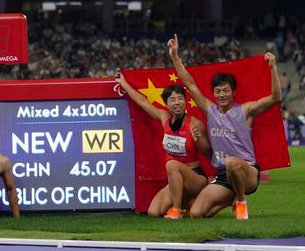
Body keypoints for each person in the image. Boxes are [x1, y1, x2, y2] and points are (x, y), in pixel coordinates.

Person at [168, 34, 282, 220]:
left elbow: (276, 98)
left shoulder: (245, 111)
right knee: (197, 213)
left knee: (231, 161)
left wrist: (273, 68)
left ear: (233, 92)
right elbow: (189, 83)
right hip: (223, 175)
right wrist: (174, 56)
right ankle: (229, 200)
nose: (221, 95)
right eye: (218, 91)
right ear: (213, 93)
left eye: (225, 90)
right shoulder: (210, 111)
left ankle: (241, 203)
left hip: (247, 173)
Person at [115, 72, 211, 219]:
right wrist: (123, 84)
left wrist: (200, 141)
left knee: (171, 164)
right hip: (175, 179)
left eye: (180, 99)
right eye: (172, 100)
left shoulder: (195, 123)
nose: (177, 102)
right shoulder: (164, 117)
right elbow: (142, 102)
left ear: (185, 102)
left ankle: (177, 210)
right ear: (167, 104)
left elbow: (208, 154)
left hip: (196, 179)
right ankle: (187, 202)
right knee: (154, 212)